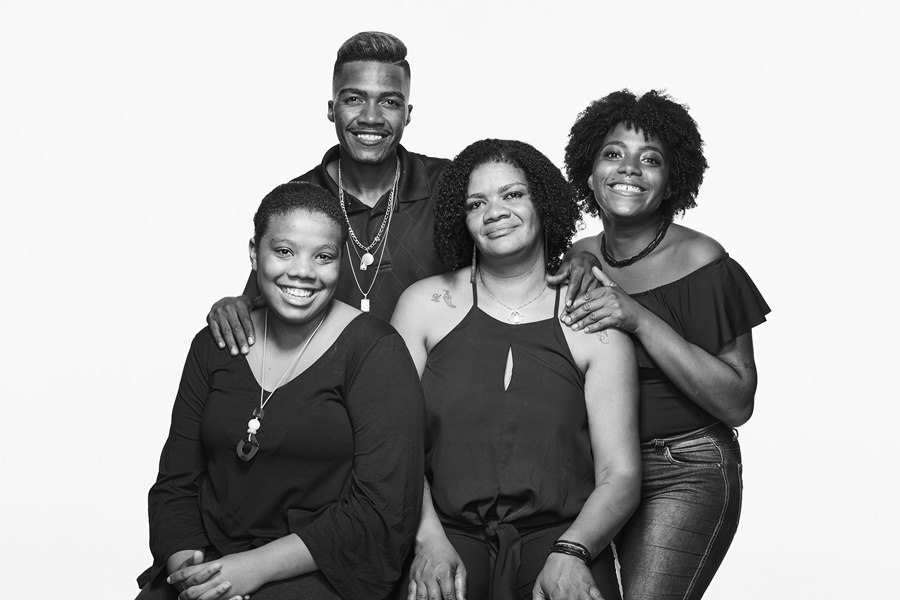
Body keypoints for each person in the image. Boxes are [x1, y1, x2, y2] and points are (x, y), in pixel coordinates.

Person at [206, 31, 600, 356]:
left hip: (435, 400)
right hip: (326, 404)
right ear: (331, 108)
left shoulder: (452, 185)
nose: (371, 117)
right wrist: (233, 306)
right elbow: (264, 296)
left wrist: (578, 258)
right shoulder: (300, 199)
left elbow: (518, 238)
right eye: (354, 98)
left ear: (408, 113)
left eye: (390, 102)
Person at [136, 182, 425, 600]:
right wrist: (196, 575)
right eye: (285, 251)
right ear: (255, 253)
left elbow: (382, 509)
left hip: (319, 563)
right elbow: (176, 483)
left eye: (323, 256)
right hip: (209, 560)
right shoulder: (214, 344)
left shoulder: (375, 350)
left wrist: (251, 570)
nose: (303, 271)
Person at [391, 139, 640, 600]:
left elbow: (620, 475)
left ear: (542, 202)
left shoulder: (593, 318)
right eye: (476, 203)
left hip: (563, 535)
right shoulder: (424, 306)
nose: (494, 212)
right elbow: (392, 446)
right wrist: (427, 541)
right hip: (442, 531)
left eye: (512, 194)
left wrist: (573, 552)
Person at [560, 90, 771, 599]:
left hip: (685, 467)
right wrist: (581, 261)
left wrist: (638, 319)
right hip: (598, 471)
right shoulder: (578, 256)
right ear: (589, 172)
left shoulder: (702, 260)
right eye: (613, 154)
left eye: (650, 159)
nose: (629, 169)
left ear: (672, 181)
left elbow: (738, 401)